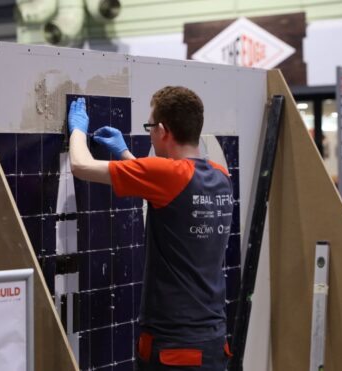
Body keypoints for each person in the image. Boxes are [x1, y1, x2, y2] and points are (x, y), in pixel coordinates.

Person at [68, 87, 234, 370]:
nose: (149, 134)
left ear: (163, 130)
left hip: (174, 349)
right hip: (212, 343)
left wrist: (78, 131)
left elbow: (80, 165)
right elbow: (170, 191)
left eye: (150, 127)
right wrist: (124, 153)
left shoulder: (168, 174)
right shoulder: (220, 175)